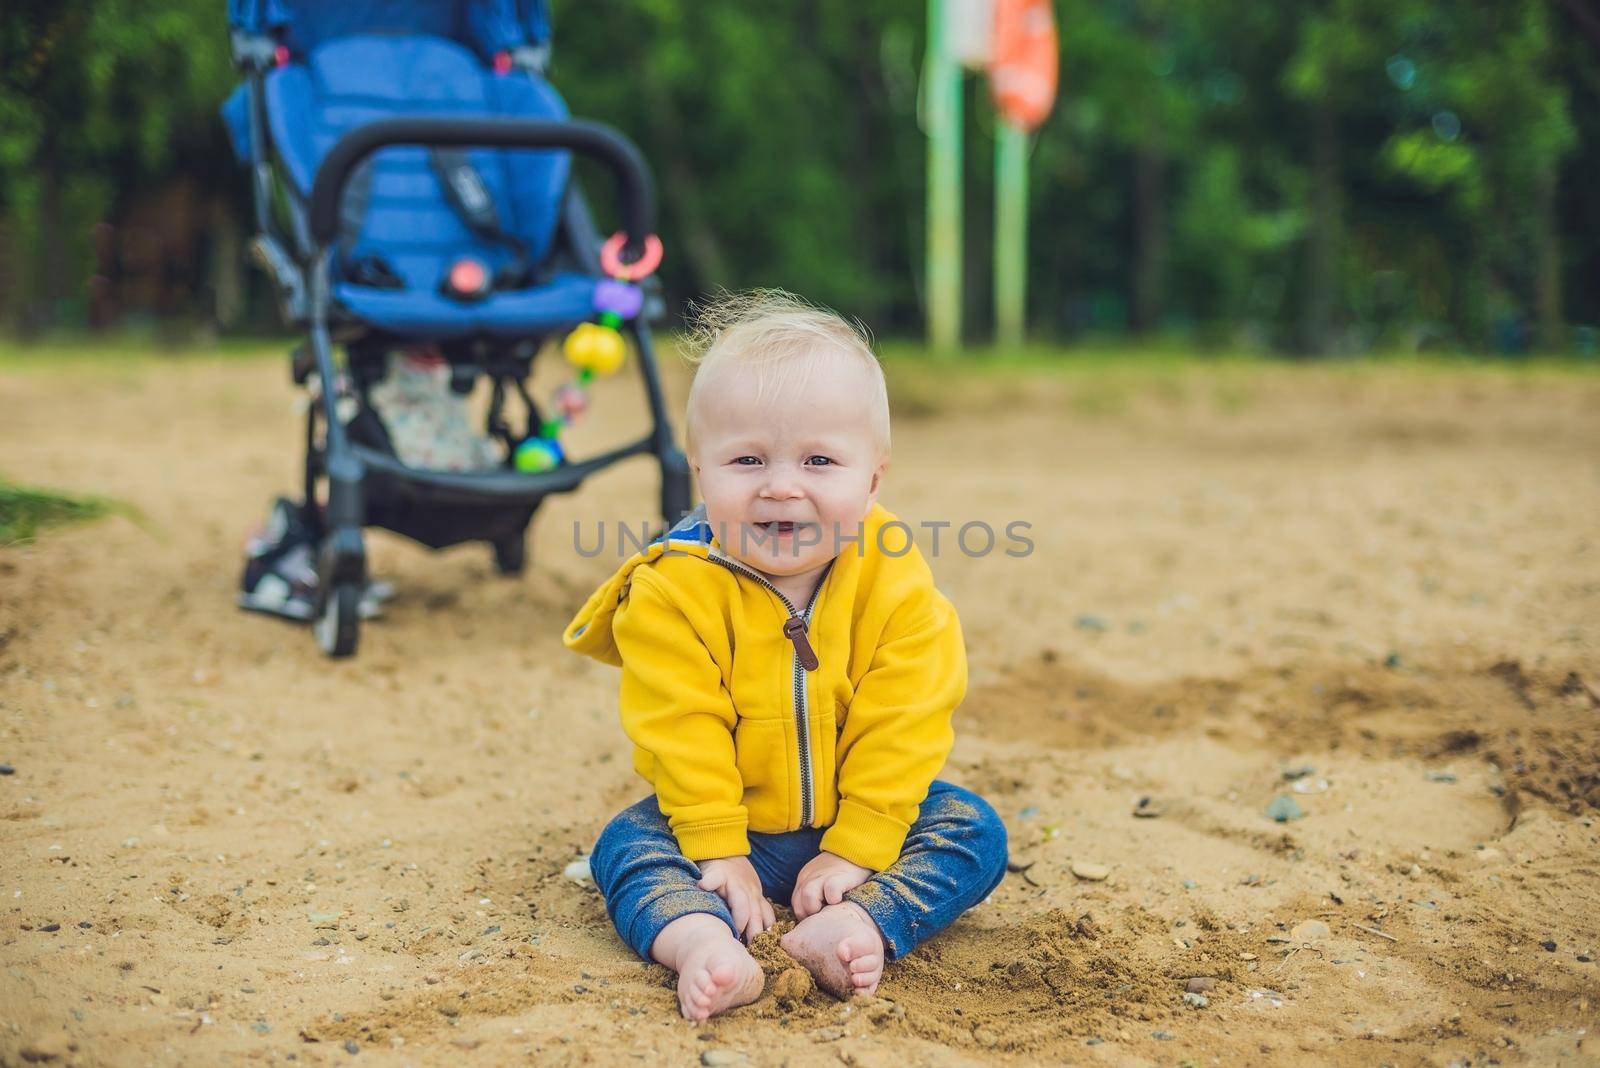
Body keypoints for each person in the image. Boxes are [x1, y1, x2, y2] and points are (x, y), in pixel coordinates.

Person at [563, 290, 1007, 1021]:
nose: (780, 485)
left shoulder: (896, 585)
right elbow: (680, 724)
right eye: (746, 459)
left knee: (973, 831)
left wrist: (858, 849)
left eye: (819, 459)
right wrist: (717, 848)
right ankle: (701, 942)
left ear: (872, 479)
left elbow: (907, 720)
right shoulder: (672, 590)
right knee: (627, 846)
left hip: (864, 823)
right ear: (699, 472)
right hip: (734, 828)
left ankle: (861, 920)